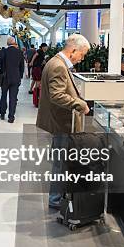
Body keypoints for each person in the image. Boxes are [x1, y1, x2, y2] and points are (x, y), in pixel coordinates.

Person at [36, 34, 90, 209]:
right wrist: (79, 103)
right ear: (73, 50)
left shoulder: (57, 63)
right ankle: (56, 200)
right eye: (82, 54)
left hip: (61, 121)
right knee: (61, 164)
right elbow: (57, 95)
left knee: (62, 162)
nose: (82, 59)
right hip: (62, 122)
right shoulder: (58, 66)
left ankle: (58, 197)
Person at [0, 37, 25, 123]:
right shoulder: (20, 52)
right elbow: (22, 67)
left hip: (5, 77)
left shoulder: (3, 52)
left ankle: (2, 114)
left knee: (3, 96)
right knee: (13, 97)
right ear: (14, 43)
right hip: (15, 78)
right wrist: (20, 77)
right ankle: (11, 117)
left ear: (7, 43)